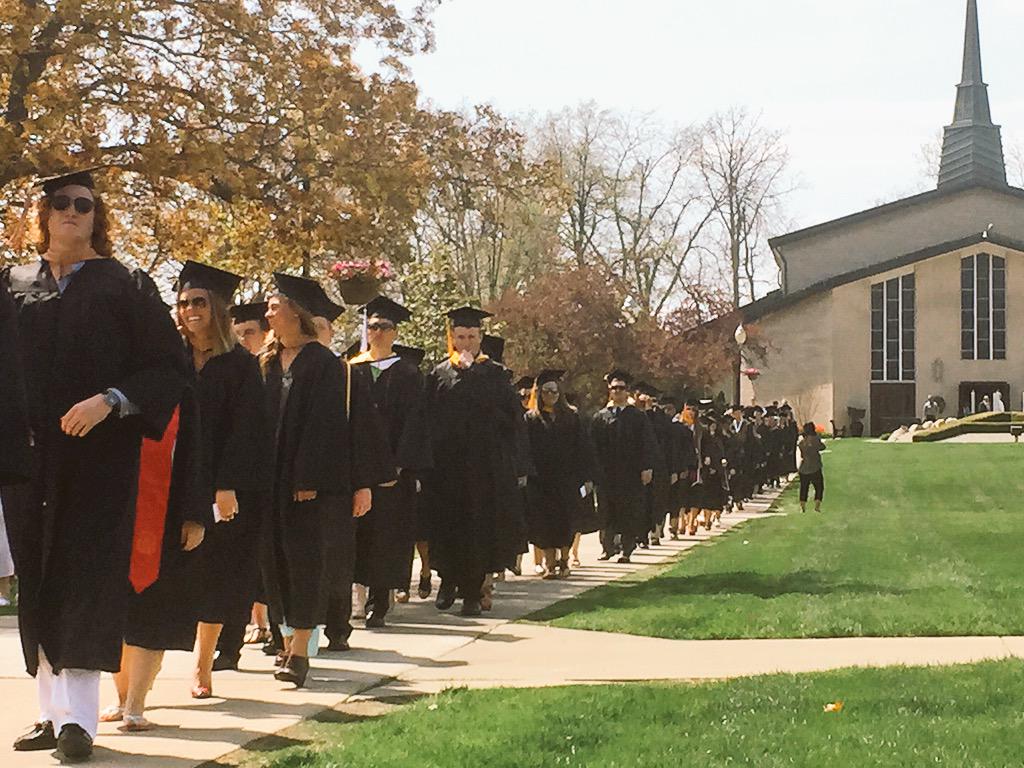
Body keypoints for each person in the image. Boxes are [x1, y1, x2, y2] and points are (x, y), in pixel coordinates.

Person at [3, 169, 187, 761]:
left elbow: (167, 368)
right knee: (37, 583)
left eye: (84, 205)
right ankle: (49, 714)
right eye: (61, 203)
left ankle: (80, 722)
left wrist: (109, 401)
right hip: (28, 462)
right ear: (44, 213)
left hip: (98, 463)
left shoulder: (126, 284)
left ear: (96, 216)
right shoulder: (11, 284)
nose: (73, 212)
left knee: (84, 582)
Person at [259, 273, 392, 687]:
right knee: (272, 563)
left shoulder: (325, 366)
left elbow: (328, 428)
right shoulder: (264, 363)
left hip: (308, 486)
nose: (268, 311)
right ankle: (283, 641)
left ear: (295, 312)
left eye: (275, 304)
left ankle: (300, 651)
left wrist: (310, 477)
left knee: (305, 564)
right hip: (268, 481)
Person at [167, 262, 271, 698]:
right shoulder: (169, 357)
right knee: (169, 574)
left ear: (218, 308)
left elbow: (247, 430)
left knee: (216, 572)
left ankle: (202, 663)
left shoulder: (241, 365)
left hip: (218, 481)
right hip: (170, 479)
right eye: (185, 302)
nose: (192, 310)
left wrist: (226, 484)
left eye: (200, 302)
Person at [421, 307, 528, 616]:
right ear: (452, 338)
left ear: (480, 337)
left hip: (485, 467)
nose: (465, 342)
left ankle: (472, 593)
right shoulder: (439, 373)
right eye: (460, 337)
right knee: (448, 526)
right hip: (447, 467)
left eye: (471, 336)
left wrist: (470, 377)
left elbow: (511, 420)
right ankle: (448, 580)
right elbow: (428, 420)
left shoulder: (495, 374)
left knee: (478, 528)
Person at [348, 296, 432, 628]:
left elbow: (415, 423)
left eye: (383, 327)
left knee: (386, 536)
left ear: (395, 332)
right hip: (357, 470)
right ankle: (353, 598)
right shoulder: (351, 369)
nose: (377, 332)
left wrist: (399, 465)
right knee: (356, 535)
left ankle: (378, 601)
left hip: (392, 473)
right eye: (372, 326)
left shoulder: (408, 374)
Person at [524, 370, 595, 579]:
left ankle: (564, 560)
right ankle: (549, 563)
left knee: (566, 520)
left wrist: (587, 476)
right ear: (539, 394)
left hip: (567, 478)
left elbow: (583, 447)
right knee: (543, 522)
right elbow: (524, 448)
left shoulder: (572, 416)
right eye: (546, 391)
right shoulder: (531, 419)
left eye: (554, 391)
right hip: (540, 479)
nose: (551, 395)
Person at [590, 370, 656, 563]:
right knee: (605, 510)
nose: (617, 391)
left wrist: (647, 468)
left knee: (628, 511)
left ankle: (626, 549)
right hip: (606, 473)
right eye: (614, 388)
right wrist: (593, 471)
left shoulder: (637, 417)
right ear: (609, 391)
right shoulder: (600, 417)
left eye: (621, 388)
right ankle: (607, 547)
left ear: (627, 391)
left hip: (630, 473)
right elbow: (592, 446)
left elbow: (646, 444)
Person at [797, 422, 826, 513]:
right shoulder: (816, 439)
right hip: (815, 467)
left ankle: (803, 508)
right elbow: (822, 447)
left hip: (804, 468)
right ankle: (817, 507)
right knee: (819, 487)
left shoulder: (802, 442)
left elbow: (802, 454)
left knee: (804, 488)